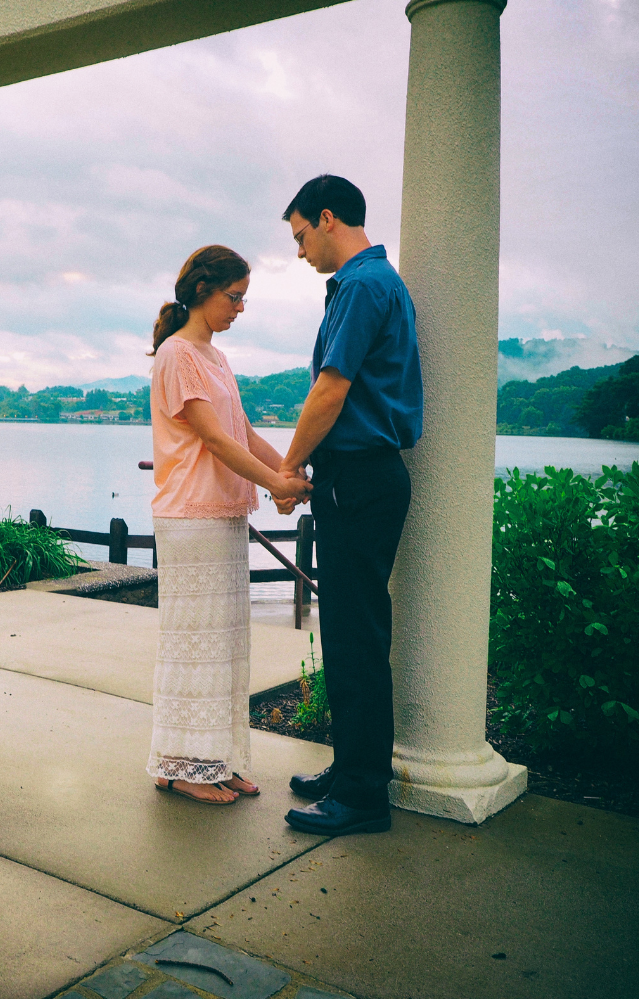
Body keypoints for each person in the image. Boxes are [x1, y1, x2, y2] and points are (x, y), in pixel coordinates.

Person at [275, 174, 423, 835]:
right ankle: (353, 767)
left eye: (302, 235)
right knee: (347, 633)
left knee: (357, 637)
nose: (300, 252)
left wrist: (288, 464)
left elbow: (332, 388)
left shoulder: (362, 286)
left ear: (328, 218)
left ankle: (363, 795)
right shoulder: (371, 283)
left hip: (360, 479)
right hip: (361, 480)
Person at [148, 245, 312, 805]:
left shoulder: (215, 357)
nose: (240, 308)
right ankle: (180, 768)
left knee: (225, 649)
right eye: (233, 297)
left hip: (221, 515)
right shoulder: (176, 354)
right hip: (189, 517)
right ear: (201, 291)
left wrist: (288, 469)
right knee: (193, 648)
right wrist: (277, 484)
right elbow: (214, 441)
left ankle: (215, 761)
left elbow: (240, 432)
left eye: (244, 299)